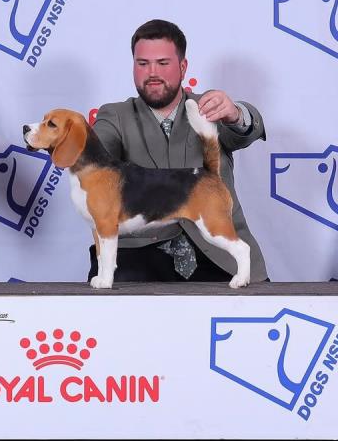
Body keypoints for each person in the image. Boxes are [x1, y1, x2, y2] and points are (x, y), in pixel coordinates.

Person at [90, 19, 268, 283]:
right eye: (142, 63)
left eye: (163, 63)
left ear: (183, 67)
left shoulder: (211, 108)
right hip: (141, 255)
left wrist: (236, 114)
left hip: (219, 256)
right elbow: (96, 152)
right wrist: (72, 140)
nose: (152, 72)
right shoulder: (114, 115)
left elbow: (248, 130)